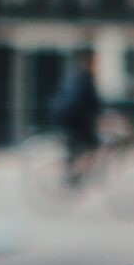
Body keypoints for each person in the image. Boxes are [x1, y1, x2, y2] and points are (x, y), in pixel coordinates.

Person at [50, 48, 102, 185]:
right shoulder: (85, 77)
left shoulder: (75, 76)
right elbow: (92, 102)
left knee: (77, 148)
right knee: (93, 144)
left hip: (71, 120)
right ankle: (76, 174)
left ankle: (75, 173)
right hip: (76, 121)